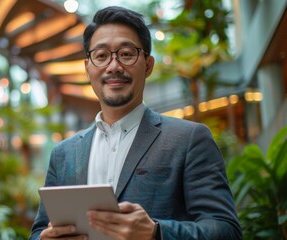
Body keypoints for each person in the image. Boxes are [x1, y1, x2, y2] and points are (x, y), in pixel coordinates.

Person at [29, 5, 242, 240]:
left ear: (148, 65)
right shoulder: (64, 154)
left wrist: (155, 232)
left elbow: (226, 230)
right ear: (87, 67)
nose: (114, 66)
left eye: (126, 54)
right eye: (101, 56)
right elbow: (39, 230)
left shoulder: (189, 139)